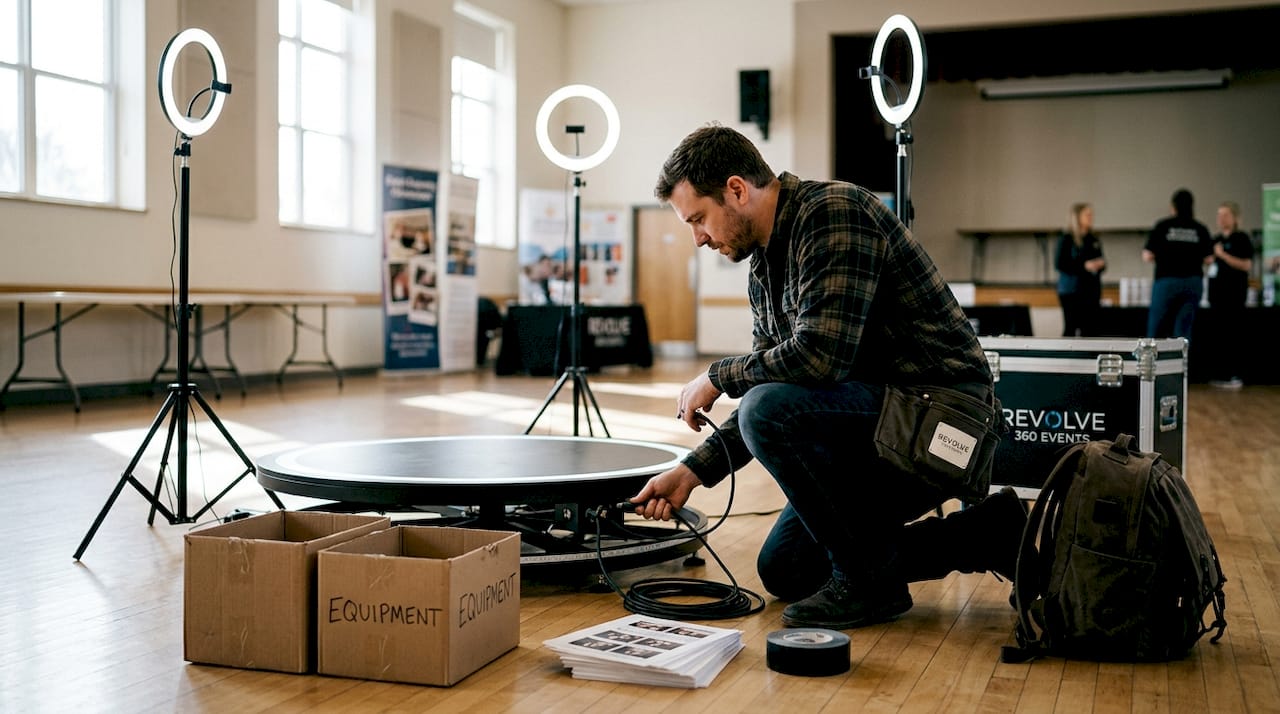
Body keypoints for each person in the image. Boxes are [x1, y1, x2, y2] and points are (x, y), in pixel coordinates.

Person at [628, 124, 1028, 630]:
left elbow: (818, 360)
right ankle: (986, 535)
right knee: (788, 568)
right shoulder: (764, 267)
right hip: (881, 423)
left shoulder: (834, 213)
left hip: (944, 426)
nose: (698, 238)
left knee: (766, 408)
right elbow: (773, 384)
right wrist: (693, 471)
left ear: (736, 189)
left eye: (699, 219)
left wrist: (717, 375)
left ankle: (869, 584)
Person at [1142, 188, 1213, 339]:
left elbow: (1147, 255)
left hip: (1166, 281)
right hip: (1192, 283)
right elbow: (1209, 259)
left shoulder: (1163, 226)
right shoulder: (1200, 228)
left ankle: (1152, 361)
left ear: (1173, 206)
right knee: (1183, 331)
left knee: (1157, 329)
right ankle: (1182, 361)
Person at [1206, 201, 1254, 388]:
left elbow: (1246, 265)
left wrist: (1223, 255)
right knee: (1219, 337)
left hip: (1234, 297)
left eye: (1226, 215)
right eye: (1219, 215)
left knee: (1234, 336)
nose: (1221, 219)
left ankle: (1235, 375)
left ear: (1235, 218)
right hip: (1217, 297)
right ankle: (1221, 374)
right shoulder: (1215, 240)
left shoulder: (1241, 238)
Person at [1055, 203, 1106, 337]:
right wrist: (1084, 266)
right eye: (1087, 215)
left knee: (1090, 329)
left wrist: (1099, 264)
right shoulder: (1067, 238)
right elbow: (1060, 264)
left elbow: (1101, 261)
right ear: (1077, 217)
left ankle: (1088, 357)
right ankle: (1067, 357)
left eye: (1091, 215)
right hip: (1071, 290)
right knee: (1071, 327)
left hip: (1091, 290)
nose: (1091, 217)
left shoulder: (1093, 238)